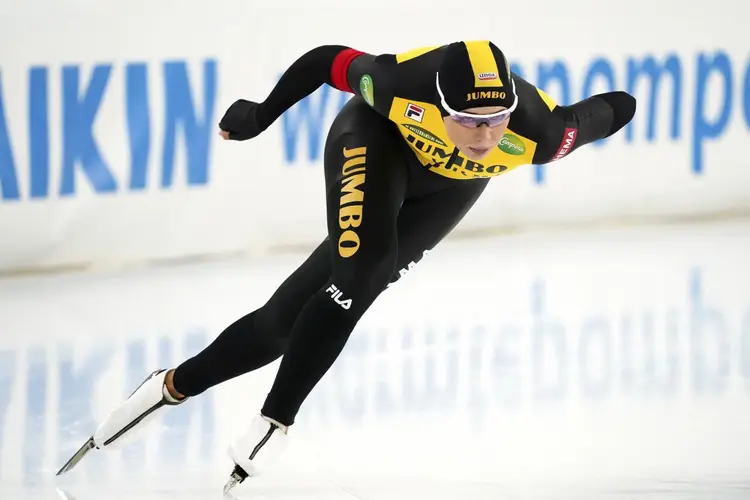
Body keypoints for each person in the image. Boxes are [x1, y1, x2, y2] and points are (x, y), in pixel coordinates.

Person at [56, 40, 636, 491]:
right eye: (467, 119)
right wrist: (262, 114)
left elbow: (612, 109)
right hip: (375, 143)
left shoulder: (542, 132)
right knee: (362, 272)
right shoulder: (397, 85)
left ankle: (170, 386)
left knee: (285, 322)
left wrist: (616, 104)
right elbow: (325, 60)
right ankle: (273, 421)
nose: (485, 136)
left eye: (496, 119)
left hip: (449, 188)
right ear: (438, 103)